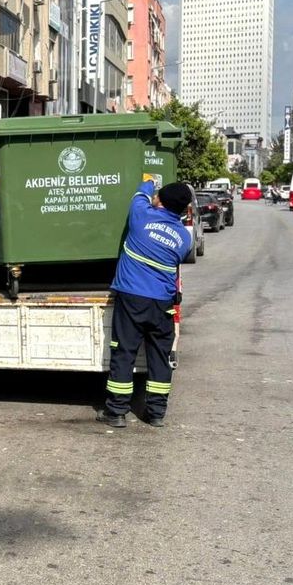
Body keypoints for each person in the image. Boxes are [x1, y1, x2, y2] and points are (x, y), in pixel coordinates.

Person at [97, 177, 193, 429]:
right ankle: (156, 413)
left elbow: (138, 196)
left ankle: (116, 411)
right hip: (162, 303)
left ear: (159, 200)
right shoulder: (184, 238)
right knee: (160, 358)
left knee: (124, 352)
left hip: (132, 299)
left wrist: (149, 182)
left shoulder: (142, 218)